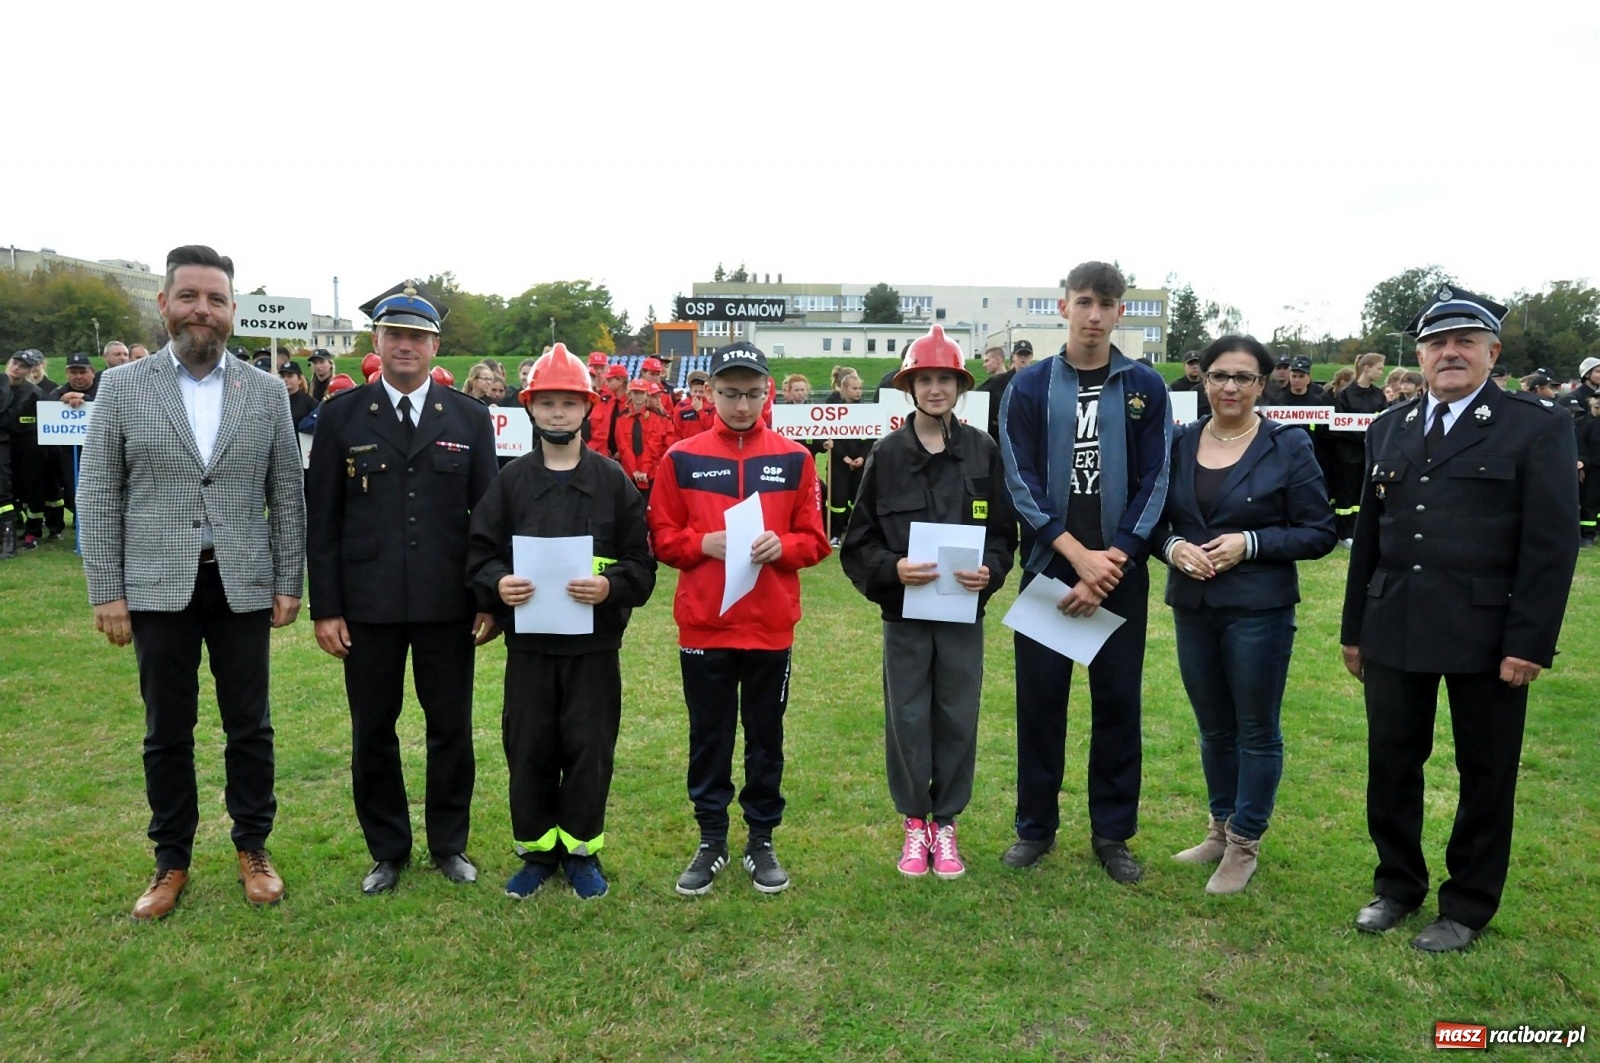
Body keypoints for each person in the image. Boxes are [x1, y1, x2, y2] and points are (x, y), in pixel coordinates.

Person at [1341, 287, 1579, 952]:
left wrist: (1529, 640)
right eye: (1436, 343)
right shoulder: (1391, 425)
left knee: (1485, 771)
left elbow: (1551, 544)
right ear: (1417, 355)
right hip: (1395, 625)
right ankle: (1396, 885)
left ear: (1492, 353)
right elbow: (1370, 538)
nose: (1449, 352)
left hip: (1488, 633)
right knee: (1391, 762)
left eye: (1465, 342)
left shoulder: (1536, 424)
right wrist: (1355, 628)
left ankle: (1467, 903)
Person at [77, 244, 306, 921]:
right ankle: (171, 857)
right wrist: (106, 590)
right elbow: (98, 492)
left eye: (215, 299)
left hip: (241, 584)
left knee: (251, 727)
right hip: (156, 586)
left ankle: (254, 847)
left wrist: (288, 577)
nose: (202, 309)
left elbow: (287, 493)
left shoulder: (264, 392)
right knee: (166, 730)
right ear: (164, 304)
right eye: (190, 296)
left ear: (232, 310)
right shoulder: (121, 388)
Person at [305, 281, 499, 896]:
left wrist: (488, 598)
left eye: (418, 336)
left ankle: (449, 845)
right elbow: (324, 521)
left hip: (449, 605)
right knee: (373, 731)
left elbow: (487, 519)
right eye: (396, 335)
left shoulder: (469, 418)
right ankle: (387, 851)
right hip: (369, 606)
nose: (406, 346)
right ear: (378, 341)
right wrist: (326, 607)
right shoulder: (340, 417)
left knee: (451, 729)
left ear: (435, 344)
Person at [998, 260, 1172, 883]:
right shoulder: (1029, 385)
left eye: (1106, 304)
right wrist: (1077, 557)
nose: (1094, 314)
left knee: (1118, 705)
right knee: (1041, 705)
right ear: (1063, 306)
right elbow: (1018, 481)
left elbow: (1159, 479)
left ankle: (1112, 835)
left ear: (1121, 311)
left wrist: (1114, 558)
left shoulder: (1145, 385)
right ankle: (1035, 829)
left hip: (1120, 573)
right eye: (1084, 302)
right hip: (1052, 564)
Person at [466, 345, 656, 900]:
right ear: (529, 407)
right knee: (528, 750)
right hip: (529, 650)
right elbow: (479, 553)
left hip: (593, 651)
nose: (556, 413)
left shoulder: (613, 481)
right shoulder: (510, 482)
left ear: (587, 408)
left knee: (588, 749)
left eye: (568, 403)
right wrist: (498, 583)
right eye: (546, 402)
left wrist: (610, 586)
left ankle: (580, 853)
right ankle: (535, 853)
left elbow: (641, 564)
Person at [1150, 336, 1335, 894]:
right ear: (1203, 380)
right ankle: (1218, 827)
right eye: (1219, 376)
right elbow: (1152, 519)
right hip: (1194, 605)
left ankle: (1245, 844)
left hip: (1259, 609)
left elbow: (1320, 531)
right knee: (1213, 728)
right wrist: (1172, 547)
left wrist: (1250, 543)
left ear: (1263, 384)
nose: (1230, 387)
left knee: (1255, 728)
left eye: (1244, 377)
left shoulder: (1287, 445)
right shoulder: (1179, 443)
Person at [648, 341, 830, 896]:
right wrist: (705, 542)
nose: (742, 406)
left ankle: (761, 839)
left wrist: (787, 546)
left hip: (769, 626)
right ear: (710, 393)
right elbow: (660, 536)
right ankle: (711, 839)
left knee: (765, 737)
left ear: (767, 392)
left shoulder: (795, 459)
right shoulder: (681, 458)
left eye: (752, 394)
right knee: (709, 735)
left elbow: (817, 538)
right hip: (705, 625)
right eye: (729, 394)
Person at [840, 325, 1016, 879]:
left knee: (958, 715)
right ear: (909, 385)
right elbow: (858, 541)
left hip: (964, 614)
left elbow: (1004, 535)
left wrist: (991, 572)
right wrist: (892, 569)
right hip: (906, 614)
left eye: (945, 379)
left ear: (959, 387)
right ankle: (915, 823)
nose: (935, 388)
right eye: (925, 379)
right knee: (909, 717)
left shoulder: (982, 451)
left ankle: (948, 824)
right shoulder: (887, 454)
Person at [2, 349, 63, 548]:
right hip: (5, 445)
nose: (16, 369)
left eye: (23, 366)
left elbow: (48, 421)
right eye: (14, 363)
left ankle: (33, 531)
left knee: (33, 488)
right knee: (11, 489)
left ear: (29, 371)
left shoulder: (35, 393)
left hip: (30, 446)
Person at [1331, 353, 1387, 545]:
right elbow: (1338, 425)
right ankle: (1344, 532)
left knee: (1364, 495)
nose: (1381, 372)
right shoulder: (1345, 394)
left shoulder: (1379, 395)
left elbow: (1383, 422)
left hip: (1370, 454)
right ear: (1366, 368)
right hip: (1347, 454)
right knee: (1347, 494)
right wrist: (1362, 438)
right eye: (1379, 368)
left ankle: (1359, 531)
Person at [824, 366, 870, 545]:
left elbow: (870, 436)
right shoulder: (832, 404)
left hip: (859, 461)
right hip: (839, 462)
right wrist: (844, 458)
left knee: (856, 497)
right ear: (843, 389)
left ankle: (853, 532)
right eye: (854, 388)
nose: (858, 392)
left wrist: (863, 457)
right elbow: (831, 434)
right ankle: (835, 533)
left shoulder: (864, 409)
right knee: (838, 499)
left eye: (860, 389)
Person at [613, 377, 673, 496]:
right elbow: (622, 446)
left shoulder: (656, 418)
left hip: (650, 473)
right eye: (635, 393)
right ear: (630, 394)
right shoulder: (621, 418)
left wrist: (644, 471)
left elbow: (654, 446)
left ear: (646, 395)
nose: (638, 397)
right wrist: (634, 470)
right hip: (629, 473)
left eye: (642, 393)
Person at [1167, 350, 1212, 420]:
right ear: (1184, 366)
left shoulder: (1207, 385)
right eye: (1191, 364)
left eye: (1198, 363)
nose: (1195, 367)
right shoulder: (1175, 387)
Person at [673, 370, 716, 439]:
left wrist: (700, 411)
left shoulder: (712, 407)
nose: (698, 394)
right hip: (686, 447)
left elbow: (712, 428)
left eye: (701, 392)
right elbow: (676, 431)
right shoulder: (681, 406)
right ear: (690, 391)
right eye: (695, 391)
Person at [278, 361, 316, 426]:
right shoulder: (276, 401)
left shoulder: (309, 402)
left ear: (299, 379)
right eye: (283, 376)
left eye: (290, 376)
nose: (285, 379)